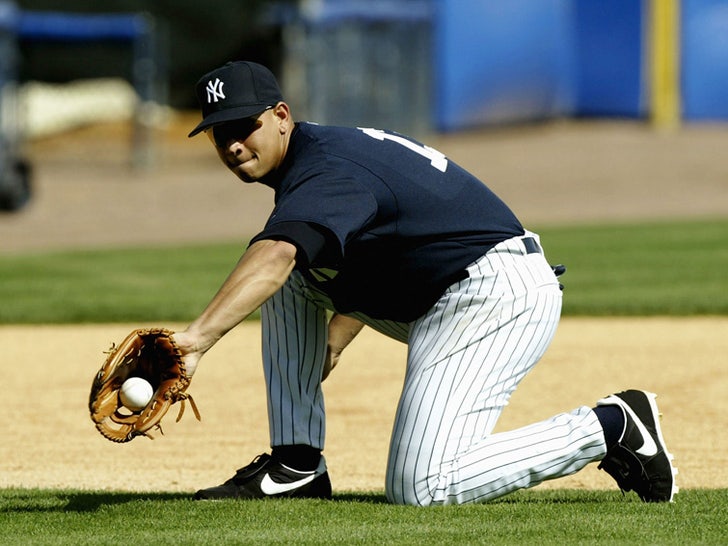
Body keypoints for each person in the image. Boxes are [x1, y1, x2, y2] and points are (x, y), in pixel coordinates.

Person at [172, 61, 677, 505]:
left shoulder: (327, 170)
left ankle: (610, 427)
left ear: (281, 116)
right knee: (289, 275)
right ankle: (296, 465)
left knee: (423, 485)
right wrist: (333, 338)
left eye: (245, 125)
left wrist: (193, 342)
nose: (234, 143)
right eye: (220, 133)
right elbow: (377, 249)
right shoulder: (322, 153)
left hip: (494, 296)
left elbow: (279, 253)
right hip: (452, 290)